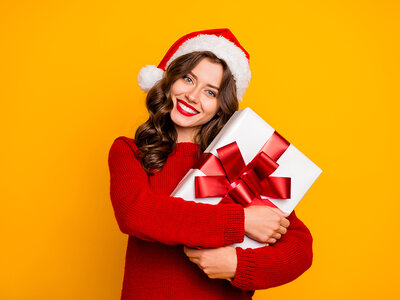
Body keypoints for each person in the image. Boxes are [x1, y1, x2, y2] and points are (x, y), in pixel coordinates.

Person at [108, 28, 313, 300]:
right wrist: (240, 222)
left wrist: (239, 265)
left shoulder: (239, 161)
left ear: (221, 105)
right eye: (188, 78)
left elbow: (300, 248)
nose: (193, 96)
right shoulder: (131, 151)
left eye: (210, 92)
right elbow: (136, 213)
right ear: (168, 80)